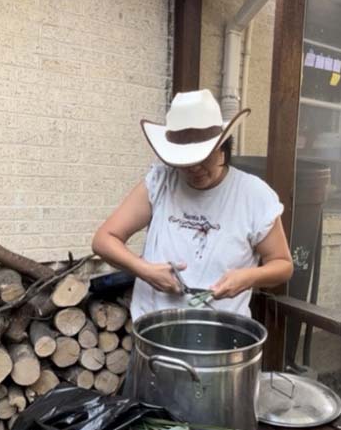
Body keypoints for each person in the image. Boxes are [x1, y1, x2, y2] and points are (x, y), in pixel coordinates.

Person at [92, 89, 293, 322]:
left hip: (220, 335)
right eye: (184, 161)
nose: (194, 169)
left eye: (203, 158)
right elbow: (104, 240)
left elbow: (283, 265)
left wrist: (247, 277)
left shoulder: (254, 194)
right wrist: (145, 271)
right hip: (154, 329)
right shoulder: (161, 182)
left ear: (223, 147)